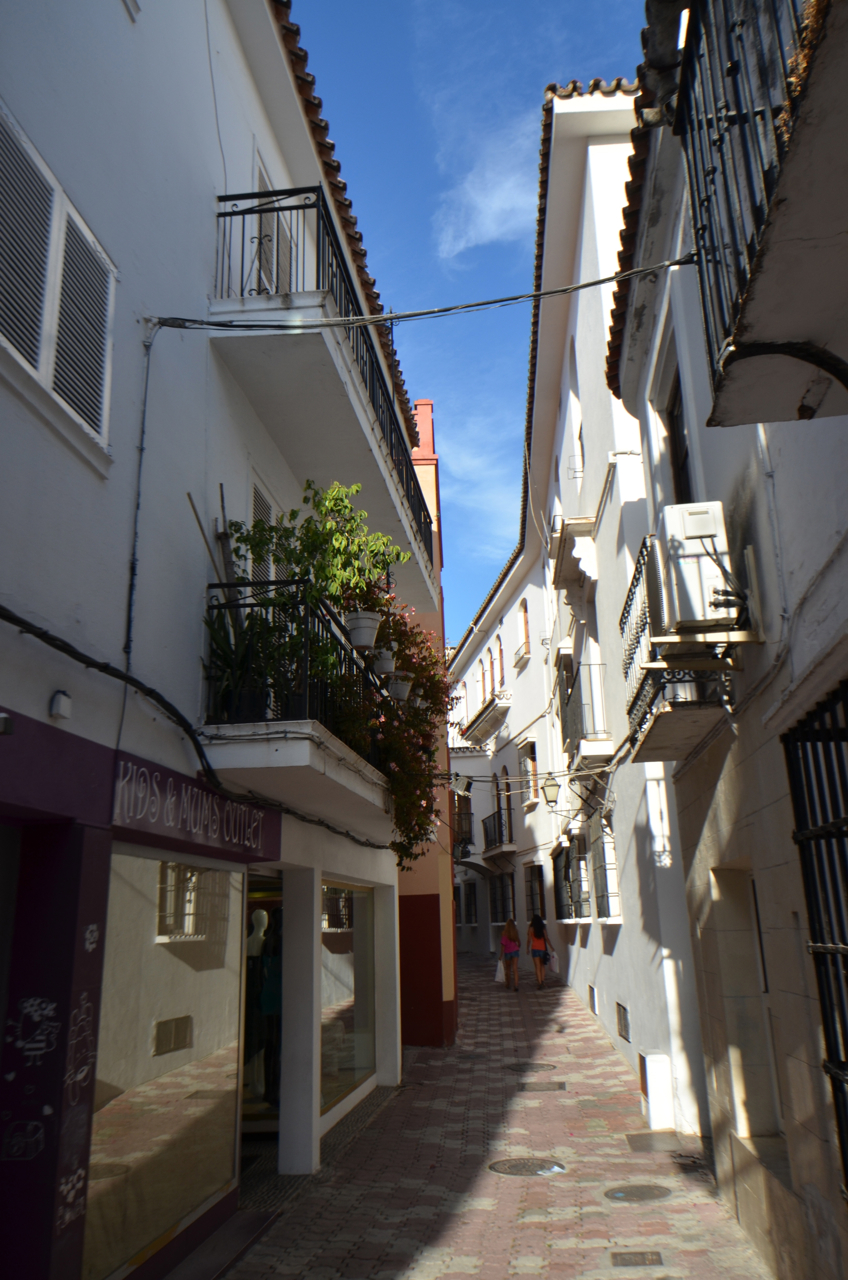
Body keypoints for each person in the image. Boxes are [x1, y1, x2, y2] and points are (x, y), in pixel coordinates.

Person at [527, 914, 553, 988]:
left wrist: (527, 948)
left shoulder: (531, 928)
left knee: (537, 967)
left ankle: (539, 982)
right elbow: (546, 938)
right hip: (542, 948)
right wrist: (551, 947)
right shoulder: (542, 928)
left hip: (534, 948)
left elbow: (529, 940)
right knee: (542, 966)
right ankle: (542, 980)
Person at [499, 918, 521, 992]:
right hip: (515, 951)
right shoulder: (515, 932)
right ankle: (516, 985)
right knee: (515, 969)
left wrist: (501, 955)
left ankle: (508, 984)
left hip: (507, 952)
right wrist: (518, 947)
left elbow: (503, 946)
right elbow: (519, 942)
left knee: (508, 969)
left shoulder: (504, 933)